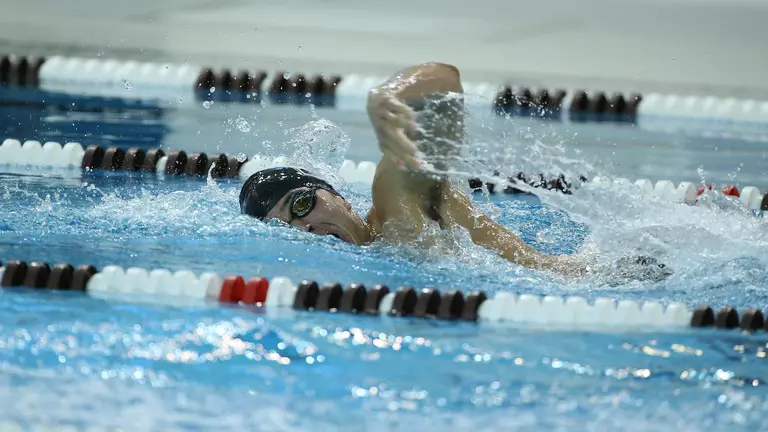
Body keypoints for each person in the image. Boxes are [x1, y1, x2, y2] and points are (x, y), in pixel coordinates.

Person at [240, 62, 670, 281]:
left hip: (600, 280)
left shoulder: (396, 208)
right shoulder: (369, 258)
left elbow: (445, 78)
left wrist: (384, 98)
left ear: (337, 195)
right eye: (290, 229)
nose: (309, 227)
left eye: (302, 204)